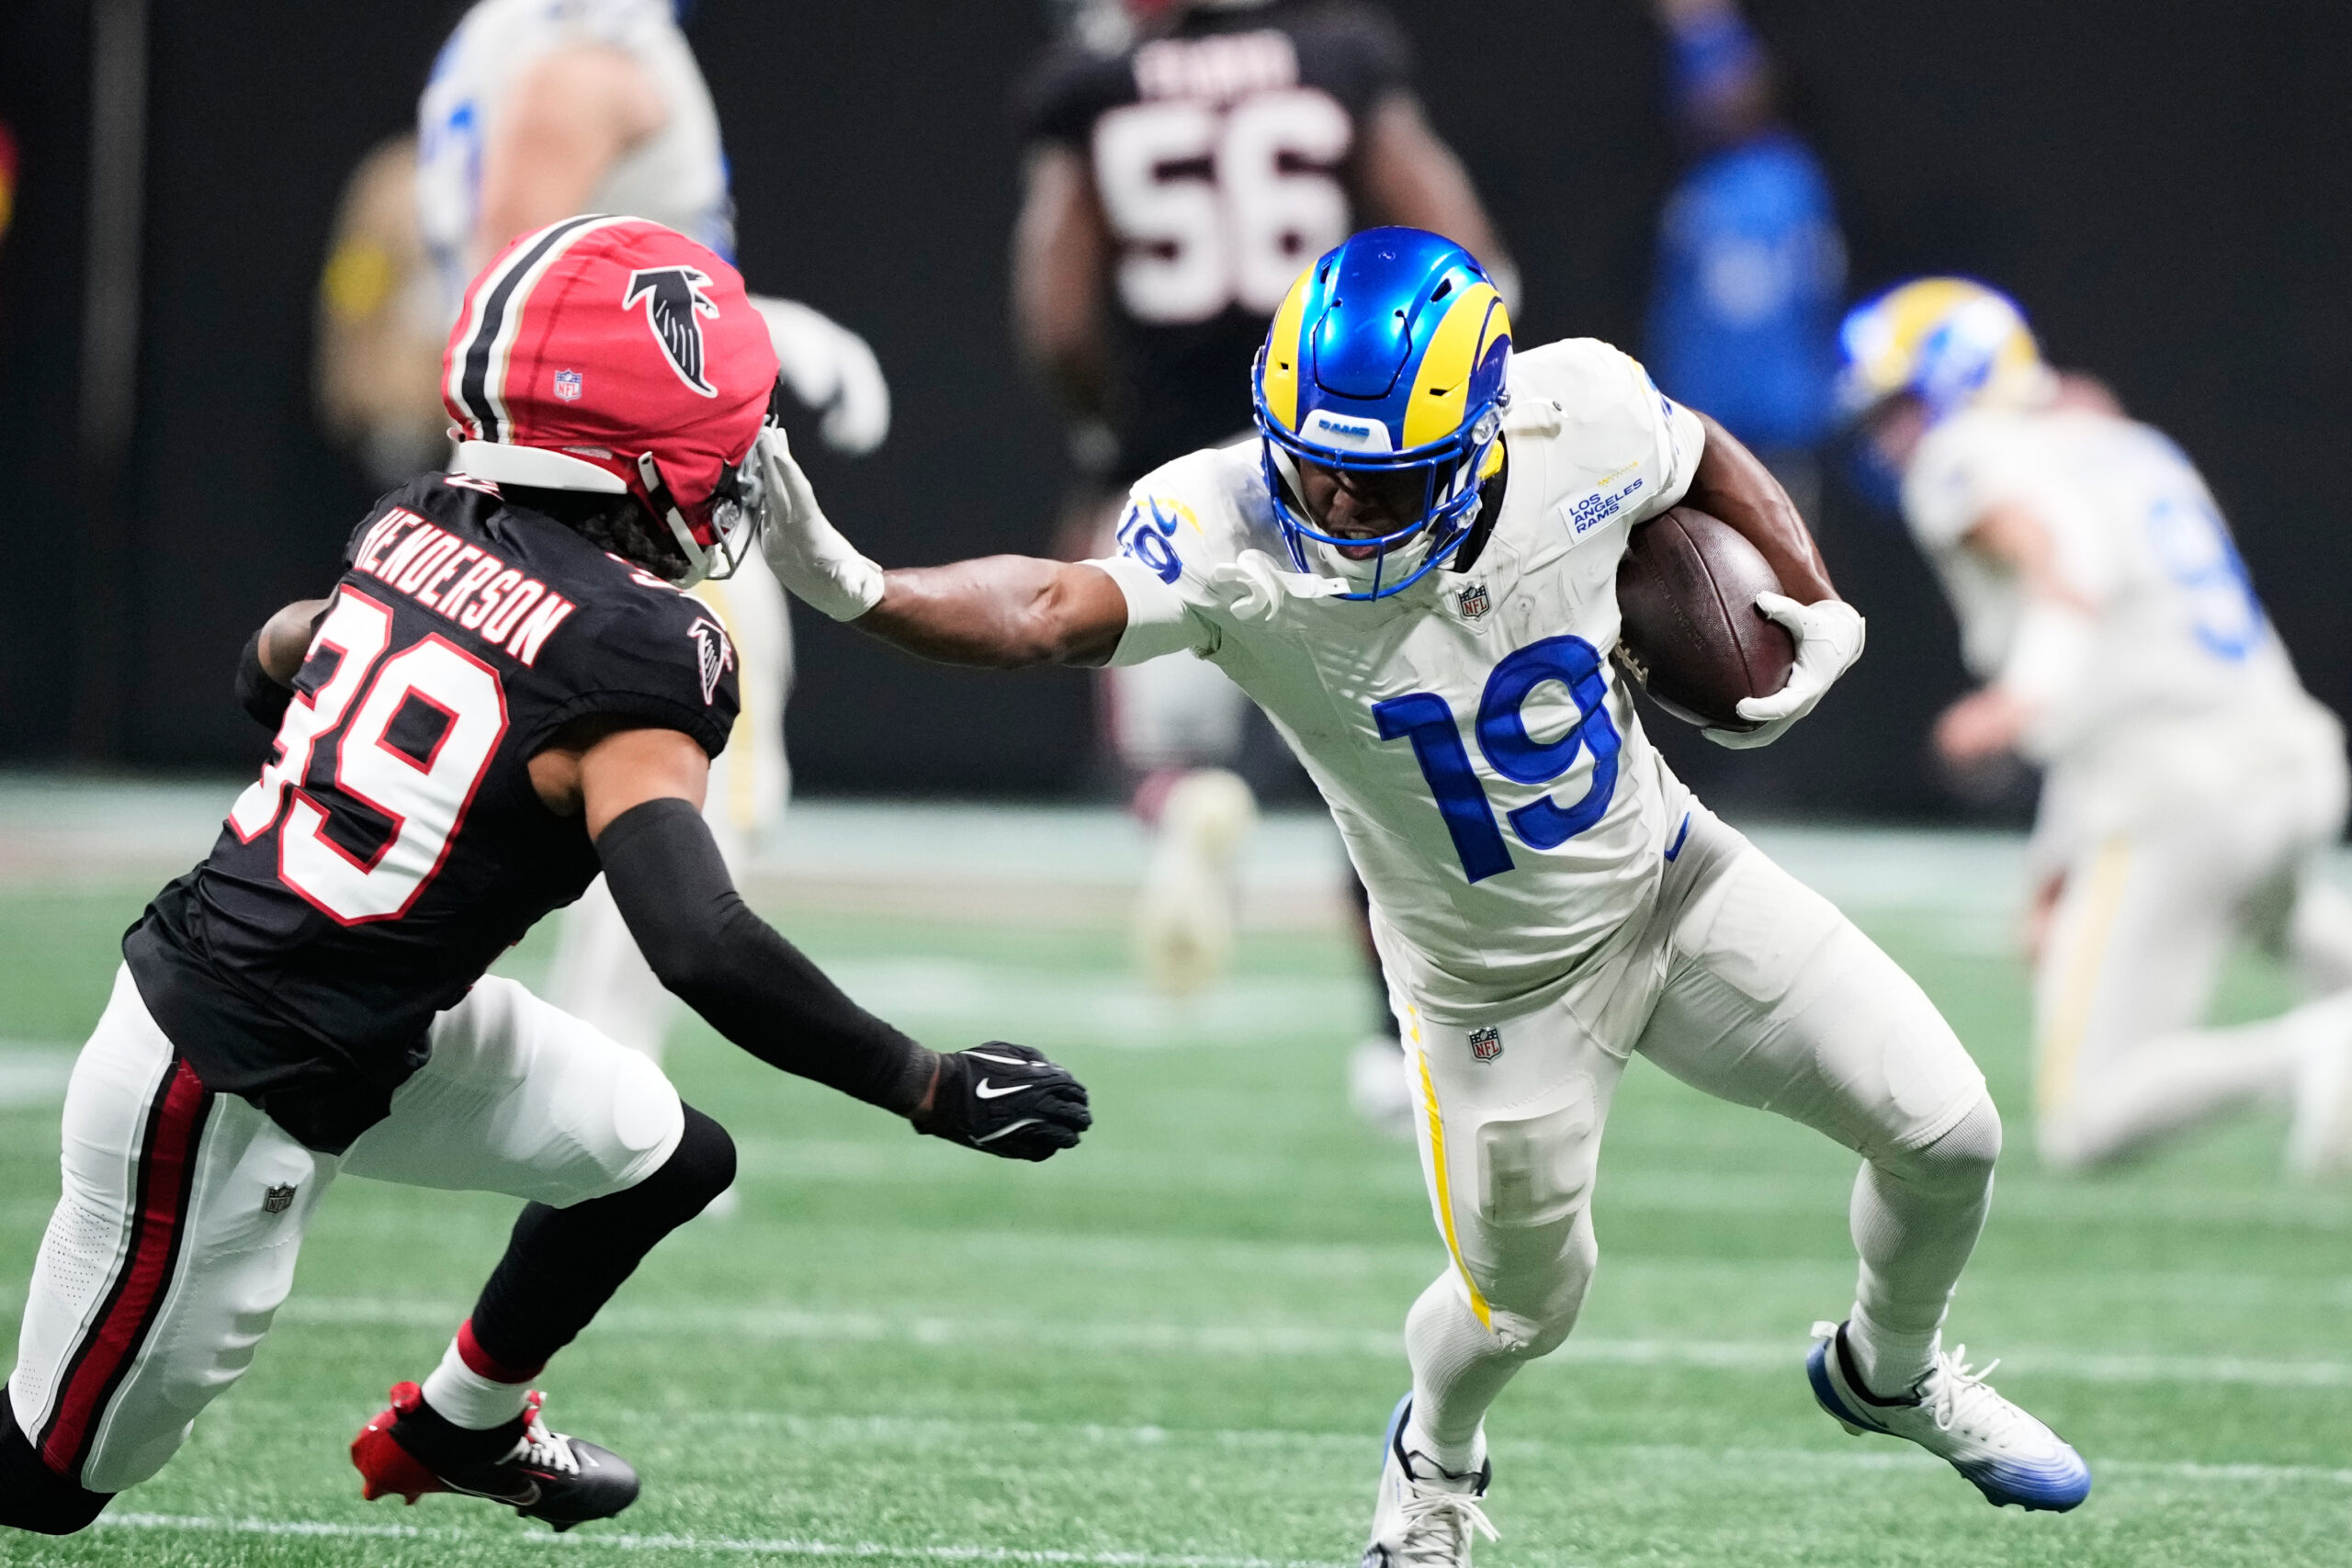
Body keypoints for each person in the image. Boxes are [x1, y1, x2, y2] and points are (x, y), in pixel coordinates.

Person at [757, 229, 2092, 1564]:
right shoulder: (1225, 524)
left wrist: (1811, 594)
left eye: (1375, 482)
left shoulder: (1580, 413)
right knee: (1525, 1306)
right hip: (1489, 988)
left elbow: (1696, 451)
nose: (1333, 509)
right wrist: (857, 585)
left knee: (1951, 1132)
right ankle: (1434, 1457)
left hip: (1673, 885)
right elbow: (1047, 603)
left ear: (1478, 439)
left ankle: (1885, 1365)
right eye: (1316, 467)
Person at [0, 219, 1089, 1539]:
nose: (739, 472)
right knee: (47, 1487)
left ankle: (463, 1421)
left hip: (375, 1016)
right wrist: (928, 1083)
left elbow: (268, 655)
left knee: (661, 1152)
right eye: (726, 445)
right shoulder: (639, 649)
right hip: (227, 1079)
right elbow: (702, 940)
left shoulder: (414, 514)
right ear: (647, 455)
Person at [1014, 0, 1510, 1130]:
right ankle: (1400, 1040)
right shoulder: (1333, 58)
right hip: (1349, 450)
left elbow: (1059, 312)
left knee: (1152, 740)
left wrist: (1105, 435)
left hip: (1180, 463)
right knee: (1385, 750)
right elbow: (1443, 232)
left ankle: (1187, 800)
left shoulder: (1094, 88)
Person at [416, 0, 892, 1073]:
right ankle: (601, 1081)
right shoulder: (589, 52)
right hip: (615, 481)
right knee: (707, 770)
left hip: (581, 468)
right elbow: (513, 301)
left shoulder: (532, 30)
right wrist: (746, 333)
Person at [1839, 277, 2352, 1175]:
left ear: (1953, 384)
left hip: (2179, 789)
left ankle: (2316, 1051)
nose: (1886, 436)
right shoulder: (2127, 443)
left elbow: (2068, 567)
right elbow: (2123, 653)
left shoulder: (1963, 454)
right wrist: (2056, 861)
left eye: (1897, 406)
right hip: (2291, 760)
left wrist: (2023, 696)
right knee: (2275, 917)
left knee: (2086, 1121)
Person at [1643, 0, 1845, 522]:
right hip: (1696, 434)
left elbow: (1812, 304)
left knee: (1781, 581)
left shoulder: (1785, 176)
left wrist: (1706, 23)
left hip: (1776, 435)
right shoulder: (1697, 188)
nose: (1714, 94)